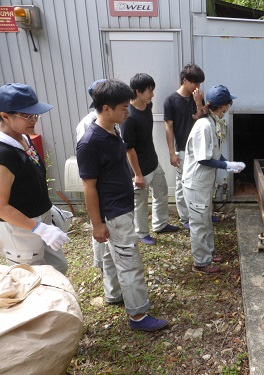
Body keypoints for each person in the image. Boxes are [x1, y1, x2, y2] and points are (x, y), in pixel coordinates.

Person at [76, 79, 167, 331]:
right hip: (114, 212)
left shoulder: (113, 130)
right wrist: (97, 224)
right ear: (106, 109)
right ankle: (138, 315)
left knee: (110, 256)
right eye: (123, 108)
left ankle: (113, 294)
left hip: (120, 207)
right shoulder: (90, 141)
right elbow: (89, 187)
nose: (128, 111)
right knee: (129, 263)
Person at [0, 83, 69, 274]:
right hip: (21, 228)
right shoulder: (3, 153)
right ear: (5, 116)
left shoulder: (24, 138)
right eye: (27, 115)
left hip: (41, 219)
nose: (34, 120)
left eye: (35, 114)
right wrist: (40, 228)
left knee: (58, 268)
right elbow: (1, 206)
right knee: (34, 281)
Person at [183, 85, 245, 274]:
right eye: (227, 105)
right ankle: (200, 263)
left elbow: (215, 155)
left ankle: (208, 253)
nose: (227, 110)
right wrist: (226, 166)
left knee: (206, 220)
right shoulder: (204, 126)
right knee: (199, 224)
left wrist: (229, 163)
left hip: (204, 183)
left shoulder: (212, 122)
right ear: (221, 106)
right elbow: (203, 159)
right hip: (196, 184)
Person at [120, 73, 179, 246]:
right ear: (138, 92)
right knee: (141, 203)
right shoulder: (128, 118)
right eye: (149, 91)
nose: (152, 95)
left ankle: (160, 224)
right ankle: (142, 233)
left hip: (153, 161)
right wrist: (137, 174)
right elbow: (129, 149)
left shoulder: (147, 106)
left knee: (161, 193)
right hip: (139, 169)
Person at [164, 64, 209, 230]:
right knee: (182, 183)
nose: (197, 88)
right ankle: (185, 218)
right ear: (185, 80)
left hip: (199, 149)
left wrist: (198, 102)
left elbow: (204, 119)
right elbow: (168, 127)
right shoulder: (170, 100)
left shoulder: (197, 98)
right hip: (182, 149)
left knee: (200, 181)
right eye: (195, 84)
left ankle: (202, 213)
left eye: (199, 84)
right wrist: (171, 153)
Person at [76, 79, 107, 271]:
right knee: (98, 221)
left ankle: (109, 261)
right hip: (97, 183)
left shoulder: (112, 120)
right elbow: (85, 159)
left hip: (109, 183)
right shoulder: (87, 124)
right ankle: (101, 262)